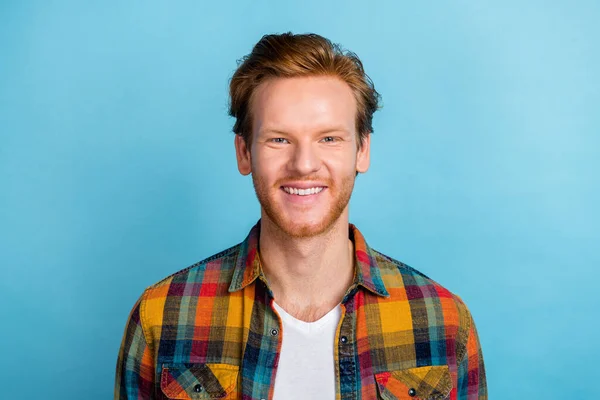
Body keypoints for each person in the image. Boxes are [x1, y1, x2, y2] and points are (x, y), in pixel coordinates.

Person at [115, 32, 487, 400]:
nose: (304, 164)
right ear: (244, 153)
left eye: (329, 138)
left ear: (362, 150)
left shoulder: (444, 322)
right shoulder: (161, 316)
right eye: (279, 139)